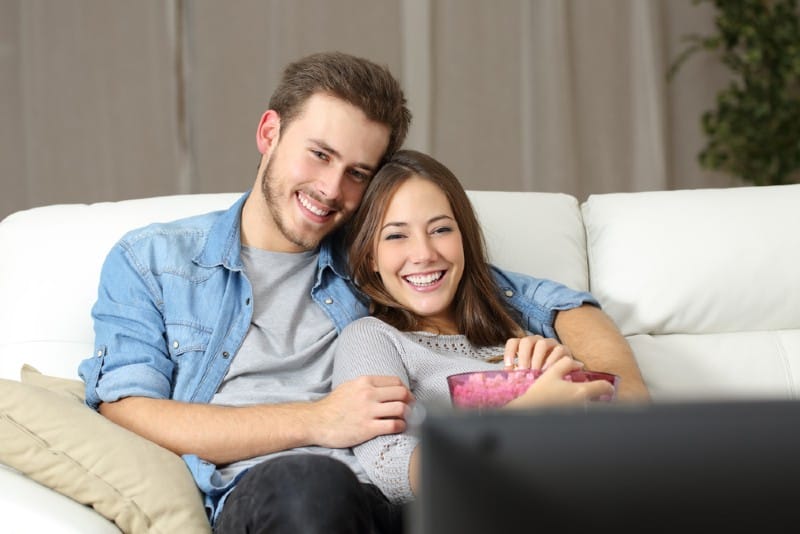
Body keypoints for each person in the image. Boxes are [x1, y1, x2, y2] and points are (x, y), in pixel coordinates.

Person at [78, 51, 647, 533]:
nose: (330, 189)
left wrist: (626, 399)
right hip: (277, 495)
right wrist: (317, 420)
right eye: (320, 155)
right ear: (269, 133)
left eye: (357, 172)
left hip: (399, 495)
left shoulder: (375, 255)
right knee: (313, 487)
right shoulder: (155, 260)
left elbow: (552, 302)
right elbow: (126, 410)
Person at [332, 149, 621, 504]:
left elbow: (614, 447)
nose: (423, 253)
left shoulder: (517, 331)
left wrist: (568, 375)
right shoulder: (370, 338)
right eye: (396, 236)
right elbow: (392, 470)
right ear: (370, 256)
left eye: (440, 229)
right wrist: (525, 415)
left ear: (463, 239)